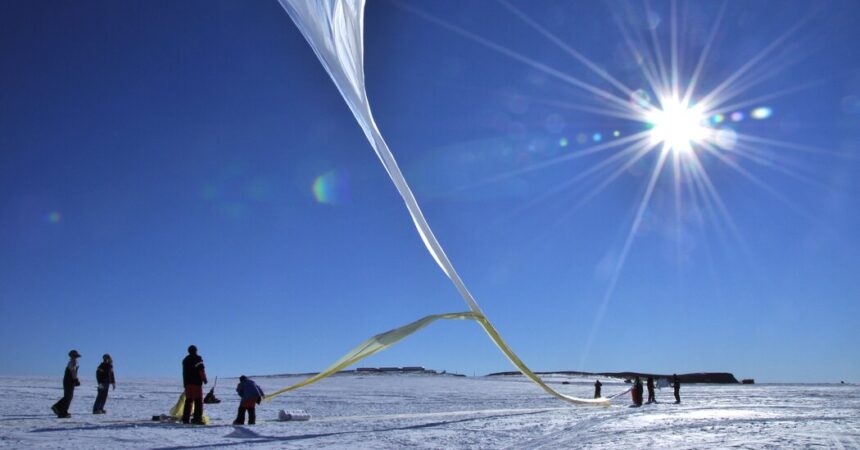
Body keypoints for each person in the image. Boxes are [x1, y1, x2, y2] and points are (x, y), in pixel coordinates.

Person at [181, 345, 208, 424]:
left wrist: (185, 384)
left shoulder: (185, 360)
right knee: (198, 401)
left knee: (188, 401)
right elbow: (201, 370)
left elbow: (184, 373)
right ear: (196, 350)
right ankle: (197, 419)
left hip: (188, 384)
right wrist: (204, 379)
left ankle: (185, 419)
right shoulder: (197, 358)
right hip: (196, 384)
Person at [52, 350, 81, 418]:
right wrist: (75, 379)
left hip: (67, 380)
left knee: (68, 396)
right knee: (68, 396)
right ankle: (62, 411)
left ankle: (58, 408)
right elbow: (73, 371)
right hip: (69, 381)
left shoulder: (71, 362)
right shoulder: (73, 362)